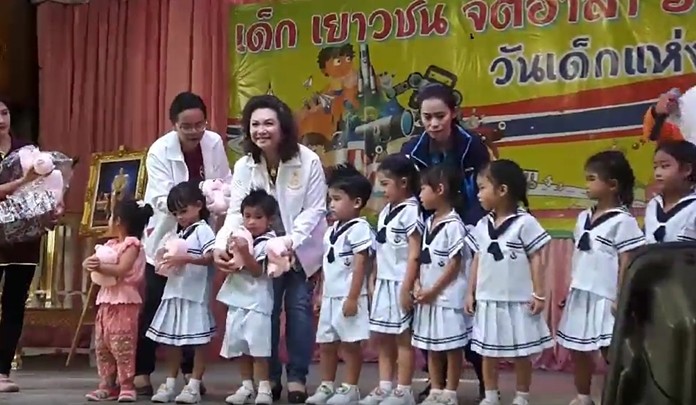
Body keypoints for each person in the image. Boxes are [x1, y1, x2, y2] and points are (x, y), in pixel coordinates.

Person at [213, 95, 327, 403]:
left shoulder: (308, 160)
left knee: (299, 311)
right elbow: (236, 211)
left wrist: (289, 242)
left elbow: (314, 210)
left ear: (283, 127)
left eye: (268, 123)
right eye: (255, 124)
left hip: (301, 250)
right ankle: (269, 379)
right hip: (261, 255)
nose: (261, 130)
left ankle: (298, 378)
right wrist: (220, 244)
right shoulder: (244, 165)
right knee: (266, 314)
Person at [137, 92, 231, 396]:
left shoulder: (213, 143)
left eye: (199, 124)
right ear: (173, 124)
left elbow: (225, 180)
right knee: (156, 304)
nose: (194, 131)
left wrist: (219, 197)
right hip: (167, 235)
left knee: (193, 305)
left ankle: (191, 374)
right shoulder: (159, 150)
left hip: (201, 234)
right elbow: (158, 197)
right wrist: (198, 193)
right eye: (186, 126)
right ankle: (143, 369)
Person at [401, 84, 488, 398]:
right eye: (427, 117)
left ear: (454, 113)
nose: (434, 123)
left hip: (467, 226)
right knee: (429, 314)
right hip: (430, 230)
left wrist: (469, 230)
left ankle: (486, 382)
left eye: (440, 116)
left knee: (469, 310)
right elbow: (412, 194)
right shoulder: (412, 149)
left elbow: (482, 188)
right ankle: (436, 382)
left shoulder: (472, 145)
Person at [555, 151, 645, 405]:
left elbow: (627, 261)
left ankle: (624, 396)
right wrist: (570, 289)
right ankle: (583, 397)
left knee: (611, 350)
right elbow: (578, 257)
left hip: (606, 295)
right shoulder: (583, 217)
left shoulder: (623, 221)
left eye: (592, 179)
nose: (586, 185)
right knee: (579, 350)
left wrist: (621, 295)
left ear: (612, 185)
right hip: (581, 292)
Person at [464, 159, 553, 405]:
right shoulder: (482, 225)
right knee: (487, 352)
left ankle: (522, 396)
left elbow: (537, 259)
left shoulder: (525, 223)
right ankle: (491, 396)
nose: (478, 194)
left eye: (482, 188)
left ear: (502, 190)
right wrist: (470, 292)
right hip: (487, 299)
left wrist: (539, 293)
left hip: (518, 300)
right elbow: (477, 258)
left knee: (522, 352)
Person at [0, 97, 55, 393]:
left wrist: (52, 208)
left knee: (14, 304)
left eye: (4, 112)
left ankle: (2, 372)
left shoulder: (27, 151)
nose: (1, 120)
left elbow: (46, 186)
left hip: (23, 239)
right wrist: (24, 180)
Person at [306, 164, 374, 405]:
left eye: (336, 199)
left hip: (349, 296)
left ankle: (350, 388)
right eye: (330, 199)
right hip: (330, 297)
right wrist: (320, 293)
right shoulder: (331, 230)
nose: (331, 204)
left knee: (350, 344)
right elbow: (327, 264)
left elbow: (360, 265)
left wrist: (353, 297)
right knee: (327, 343)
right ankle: (326, 385)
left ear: (356, 202)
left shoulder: (360, 229)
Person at [360, 154, 423, 405]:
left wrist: (407, 286)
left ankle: (403, 390)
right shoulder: (386, 210)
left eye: (386, 184)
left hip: (401, 282)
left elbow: (415, 253)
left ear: (404, 182)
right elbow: (381, 248)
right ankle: (385, 385)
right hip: (383, 282)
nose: (382, 190)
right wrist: (373, 276)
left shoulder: (412, 212)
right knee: (383, 336)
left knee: (403, 338)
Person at [146, 182, 216, 404]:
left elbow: (211, 256)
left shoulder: (203, 229)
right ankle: (169, 382)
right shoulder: (179, 232)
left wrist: (186, 259)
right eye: (176, 214)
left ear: (199, 205)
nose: (180, 217)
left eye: (184, 211)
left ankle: (194, 383)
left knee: (198, 340)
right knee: (172, 340)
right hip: (175, 291)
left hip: (195, 294)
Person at [410, 165, 472, 405]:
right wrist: (417, 284)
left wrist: (433, 290)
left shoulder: (454, 225)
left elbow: (454, 265)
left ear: (440, 189)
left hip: (447, 297)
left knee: (452, 347)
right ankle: (435, 389)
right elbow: (421, 258)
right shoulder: (428, 222)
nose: (420, 195)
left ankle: (450, 392)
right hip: (427, 296)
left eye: (423, 189)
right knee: (432, 345)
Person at [83, 199, 152, 402]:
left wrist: (99, 267)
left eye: (111, 216)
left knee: (122, 343)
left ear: (119, 221)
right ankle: (107, 383)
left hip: (125, 301)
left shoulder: (132, 245)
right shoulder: (110, 245)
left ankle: (127, 385)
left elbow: (121, 269)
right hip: (107, 300)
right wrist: (89, 264)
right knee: (103, 344)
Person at [218, 189, 278, 405]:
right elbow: (231, 263)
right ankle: (246, 386)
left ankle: (264, 388)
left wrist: (244, 252)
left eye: (258, 217)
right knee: (240, 346)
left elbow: (257, 271)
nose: (251, 222)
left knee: (258, 348)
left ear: (270, 220)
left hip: (257, 302)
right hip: (237, 299)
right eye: (247, 216)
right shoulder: (240, 236)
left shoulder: (270, 242)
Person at [644, 140, 696, 244]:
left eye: (665, 166)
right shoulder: (653, 205)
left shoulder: (693, 207)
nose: (657, 173)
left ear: (686, 169)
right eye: (655, 167)